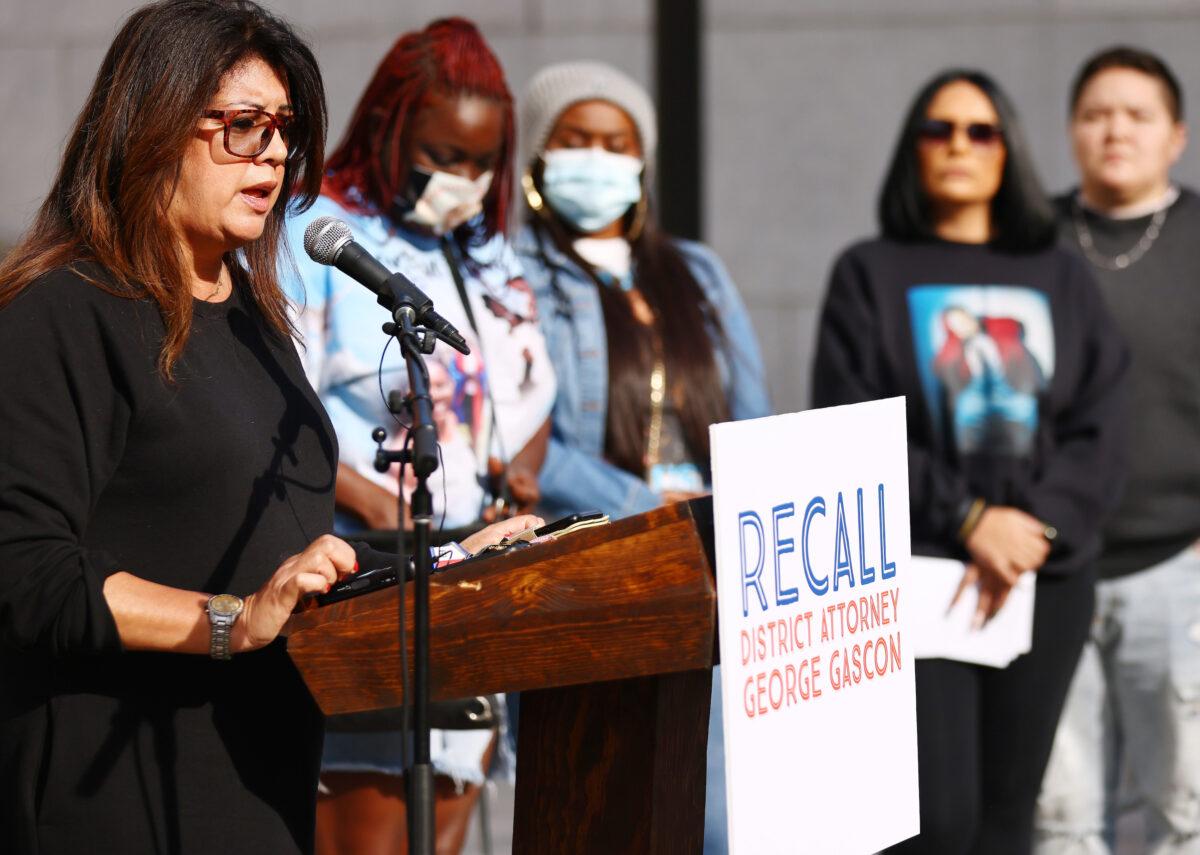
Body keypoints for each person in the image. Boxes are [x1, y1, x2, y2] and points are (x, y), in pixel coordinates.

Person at [0, 4, 538, 853]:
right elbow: (26, 574)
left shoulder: (251, 315)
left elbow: (284, 559)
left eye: (284, 130)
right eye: (244, 127)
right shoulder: (63, 315)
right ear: (151, 126)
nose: (278, 154)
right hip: (113, 794)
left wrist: (458, 560)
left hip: (259, 783)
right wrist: (230, 620)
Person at [811, 69, 1129, 855]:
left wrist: (1033, 527)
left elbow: (1102, 421)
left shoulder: (1059, 273)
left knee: (1009, 815)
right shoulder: (869, 272)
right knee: (933, 817)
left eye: (979, 130)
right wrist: (969, 517)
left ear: (1007, 149)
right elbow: (854, 424)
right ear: (913, 150)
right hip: (921, 570)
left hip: (1041, 575)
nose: (959, 145)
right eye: (939, 129)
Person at [281, 19, 555, 855]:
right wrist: (377, 507)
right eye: (444, 154)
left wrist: (523, 470)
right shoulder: (317, 231)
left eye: (481, 161)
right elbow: (281, 398)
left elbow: (530, 383)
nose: (464, 179)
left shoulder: (487, 251)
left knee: (446, 810)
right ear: (392, 129)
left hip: (469, 571)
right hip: (367, 565)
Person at [514, 61, 771, 854]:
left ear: (641, 160)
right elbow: (519, 439)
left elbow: (752, 416)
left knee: (721, 814)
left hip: (710, 559)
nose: (598, 158)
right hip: (592, 559)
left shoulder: (696, 271)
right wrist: (639, 504)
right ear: (537, 155)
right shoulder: (511, 273)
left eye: (616, 143)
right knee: (601, 808)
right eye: (576, 140)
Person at [1034, 46, 1200, 855]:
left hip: (1180, 563)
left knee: (1188, 808)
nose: (1115, 131)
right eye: (1097, 113)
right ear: (1071, 130)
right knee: (1059, 815)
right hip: (1050, 564)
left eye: (1137, 114)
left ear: (1177, 135)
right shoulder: (1030, 244)